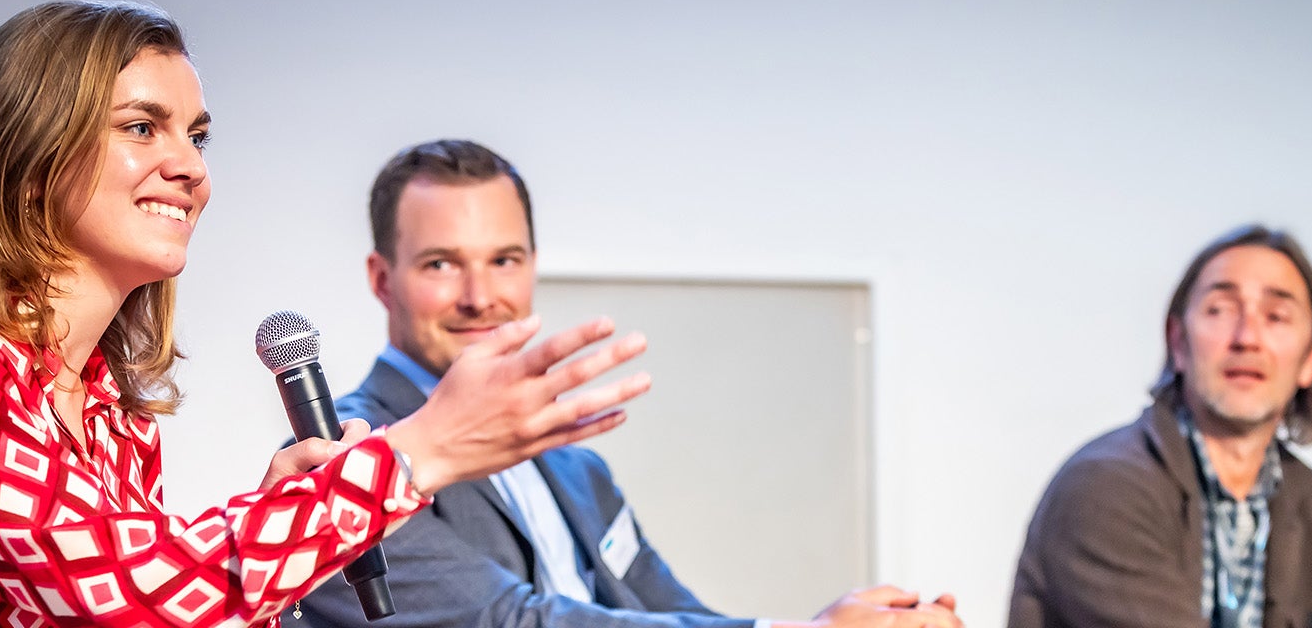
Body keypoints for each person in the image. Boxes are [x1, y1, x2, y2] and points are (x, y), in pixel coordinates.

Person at [0, 1, 647, 628]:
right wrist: (418, 452)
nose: (190, 167)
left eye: (198, 136)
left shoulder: (108, 407)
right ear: (30, 156)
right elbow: (118, 598)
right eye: (142, 127)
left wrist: (278, 513)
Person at [286, 139, 961, 628]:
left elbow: (676, 614)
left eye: (505, 260)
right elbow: (506, 621)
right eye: (441, 264)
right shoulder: (341, 463)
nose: (480, 295)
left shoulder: (577, 470)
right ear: (382, 279)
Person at [1007, 224, 1312, 628]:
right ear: (1177, 342)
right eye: (1219, 310)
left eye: (1276, 316)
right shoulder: (1102, 487)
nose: (1247, 338)